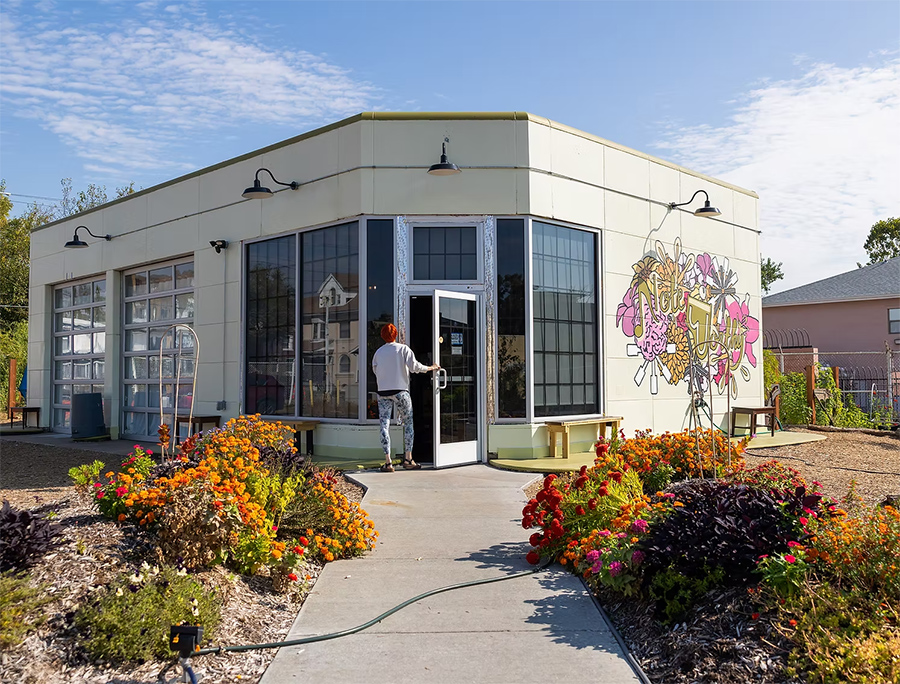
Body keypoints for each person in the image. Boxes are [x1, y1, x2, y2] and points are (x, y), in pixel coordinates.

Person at [371, 323, 440, 472]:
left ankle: (388, 462)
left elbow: (375, 370)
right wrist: (431, 368)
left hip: (383, 393)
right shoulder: (403, 349)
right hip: (401, 391)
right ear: (395, 334)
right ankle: (408, 459)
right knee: (408, 423)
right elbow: (415, 367)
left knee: (384, 425)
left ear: (383, 336)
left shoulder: (378, 352)